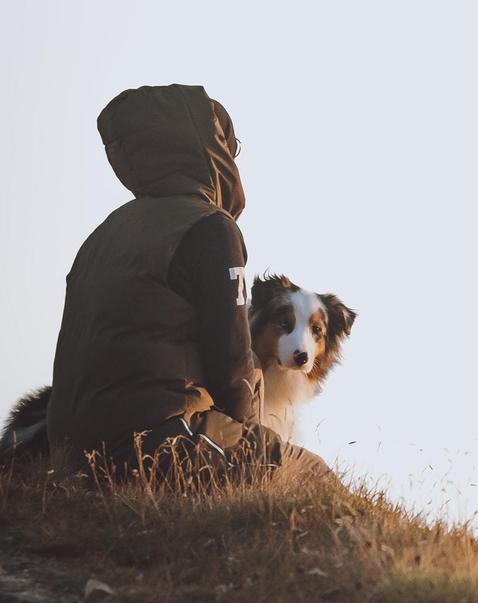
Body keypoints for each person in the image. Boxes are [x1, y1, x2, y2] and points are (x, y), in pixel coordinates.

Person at [46, 83, 328, 483]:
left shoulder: (105, 232)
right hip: (153, 443)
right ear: (213, 152)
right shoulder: (212, 229)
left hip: (70, 451)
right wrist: (251, 440)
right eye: (232, 148)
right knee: (313, 477)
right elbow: (231, 367)